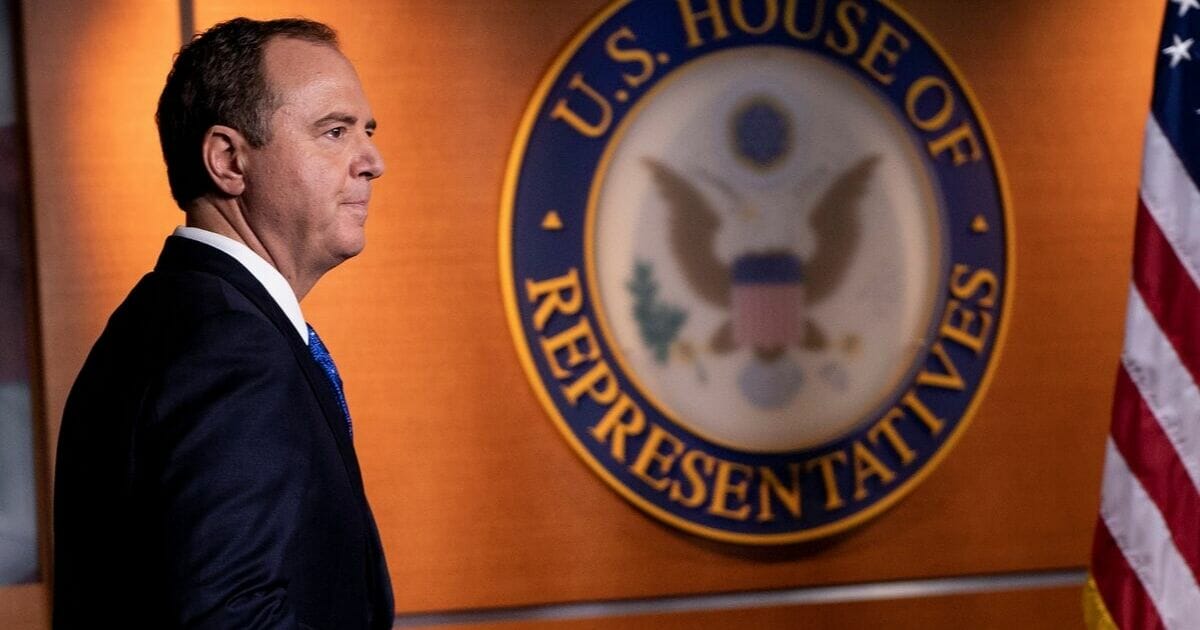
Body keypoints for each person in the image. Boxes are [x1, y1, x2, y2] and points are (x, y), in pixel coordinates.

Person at [52, 17, 393, 628]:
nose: (372, 160)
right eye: (334, 131)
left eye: (366, 131)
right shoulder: (232, 351)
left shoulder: (163, 319)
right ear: (229, 160)